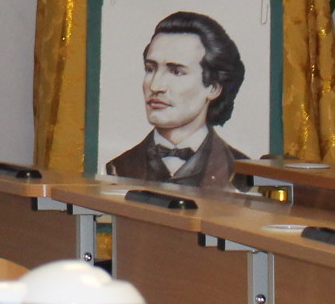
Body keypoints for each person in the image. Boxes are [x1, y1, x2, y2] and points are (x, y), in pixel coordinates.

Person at [103, 11, 247, 185]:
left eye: (176, 72)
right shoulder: (118, 167)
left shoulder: (244, 173)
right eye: (150, 69)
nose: (155, 86)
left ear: (213, 87)